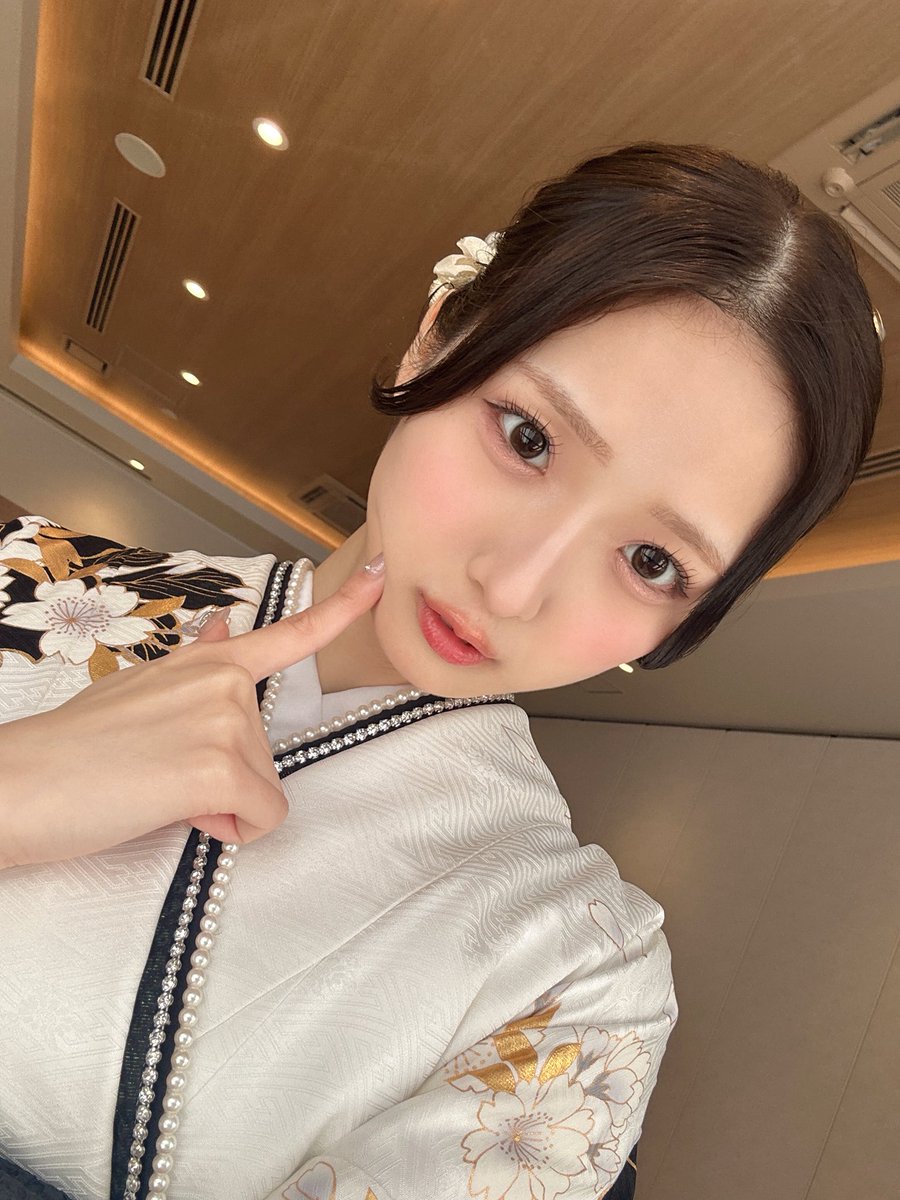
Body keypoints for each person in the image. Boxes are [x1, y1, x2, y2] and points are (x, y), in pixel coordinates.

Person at [0, 141, 883, 1200]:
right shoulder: (30, 576)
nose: (513, 586)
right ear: (434, 339)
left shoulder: (582, 978)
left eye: (653, 562)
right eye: (528, 437)